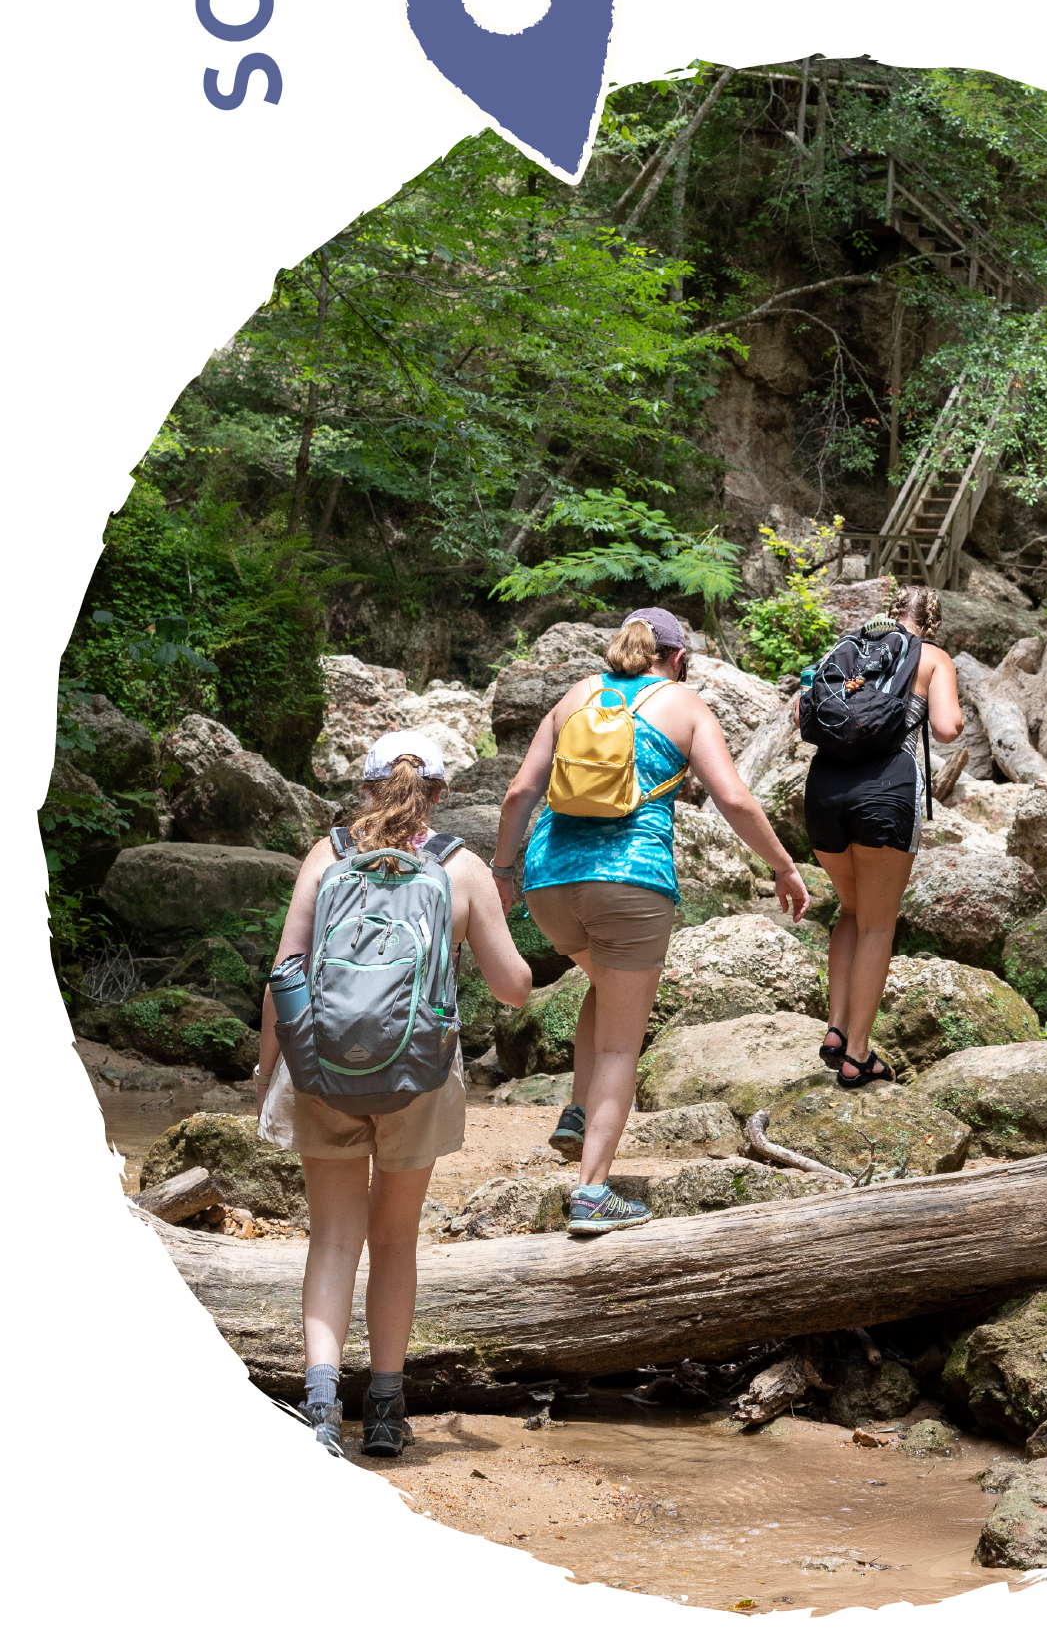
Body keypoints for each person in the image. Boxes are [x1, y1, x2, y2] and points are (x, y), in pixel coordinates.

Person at [256, 730, 534, 1458]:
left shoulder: (328, 856)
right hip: (420, 1076)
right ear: (438, 795)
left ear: (367, 788)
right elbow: (514, 990)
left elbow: (283, 977)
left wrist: (269, 1075)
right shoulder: (460, 868)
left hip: (322, 1074)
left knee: (333, 1238)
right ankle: (384, 1408)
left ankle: (320, 1408)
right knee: (394, 1241)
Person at [491, 607, 810, 1236]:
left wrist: (503, 873)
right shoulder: (683, 703)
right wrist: (782, 866)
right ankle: (590, 1194)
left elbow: (518, 794)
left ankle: (578, 1112)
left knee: (604, 988)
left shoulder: (576, 695)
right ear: (678, 656)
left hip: (551, 882)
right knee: (620, 1043)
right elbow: (736, 798)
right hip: (630, 884)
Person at [796, 585, 964, 1088]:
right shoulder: (932, 657)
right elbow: (948, 727)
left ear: (891, 613)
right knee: (877, 925)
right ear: (932, 624)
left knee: (850, 911)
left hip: (824, 791)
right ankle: (858, 1055)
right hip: (886, 793)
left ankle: (835, 1029)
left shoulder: (853, 648)